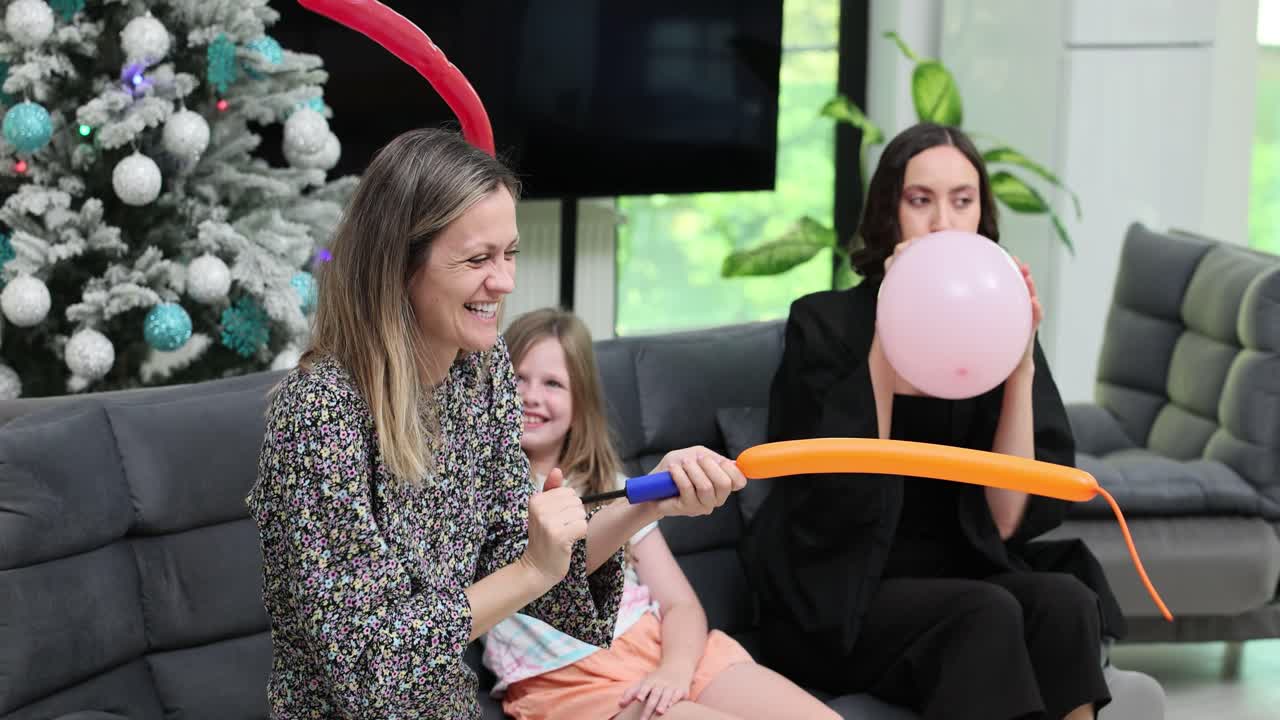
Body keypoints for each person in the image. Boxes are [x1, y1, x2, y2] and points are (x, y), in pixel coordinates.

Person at [247, 128, 747, 720]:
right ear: (399, 265)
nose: (505, 282)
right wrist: (532, 566)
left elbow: (517, 552)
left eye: (509, 253)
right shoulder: (318, 414)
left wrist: (651, 502)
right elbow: (367, 666)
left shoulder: (481, 372)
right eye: (478, 259)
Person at [740, 122, 1127, 720]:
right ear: (889, 214)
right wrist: (889, 340)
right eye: (920, 201)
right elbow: (834, 503)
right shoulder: (822, 324)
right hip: (840, 590)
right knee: (984, 611)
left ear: (981, 216)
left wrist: (1020, 366)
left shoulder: (995, 325)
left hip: (962, 571)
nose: (942, 222)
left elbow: (1005, 523)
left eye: (962, 201)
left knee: (1065, 601)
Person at [480, 308, 839, 720]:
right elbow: (546, 572)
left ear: (581, 405)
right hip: (570, 682)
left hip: (664, 649)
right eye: (518, 378)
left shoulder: (611, 482)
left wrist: (675, 670)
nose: (532, 395)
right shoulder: (482, 489)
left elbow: (681, 606)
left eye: (554, 384)